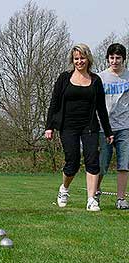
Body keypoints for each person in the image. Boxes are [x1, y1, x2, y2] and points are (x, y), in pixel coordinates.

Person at [45, 43, 114, 211]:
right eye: (76, 58)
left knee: (92, 161)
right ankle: (64, 189)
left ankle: (91, 200)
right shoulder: (64, 78)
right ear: (72, 60)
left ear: (88, 59)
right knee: (72, 163)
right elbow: (54, 104)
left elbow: (101, 108)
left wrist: (108, 130)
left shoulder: (95, 80)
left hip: (89, 126)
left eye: (82, 58)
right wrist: (49, 127)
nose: (79, 61)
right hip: (68, 127)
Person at [96, 43, 129, 209]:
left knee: (124, 164)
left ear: (123, 59)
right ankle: (95, 192)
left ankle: (121, 199)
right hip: (104, 127)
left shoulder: (128, 77)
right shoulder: (99, 78)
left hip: (125, 127)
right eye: (112, 58)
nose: (115, 61)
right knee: (102, 164)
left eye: (118, 58)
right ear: (108, 59)